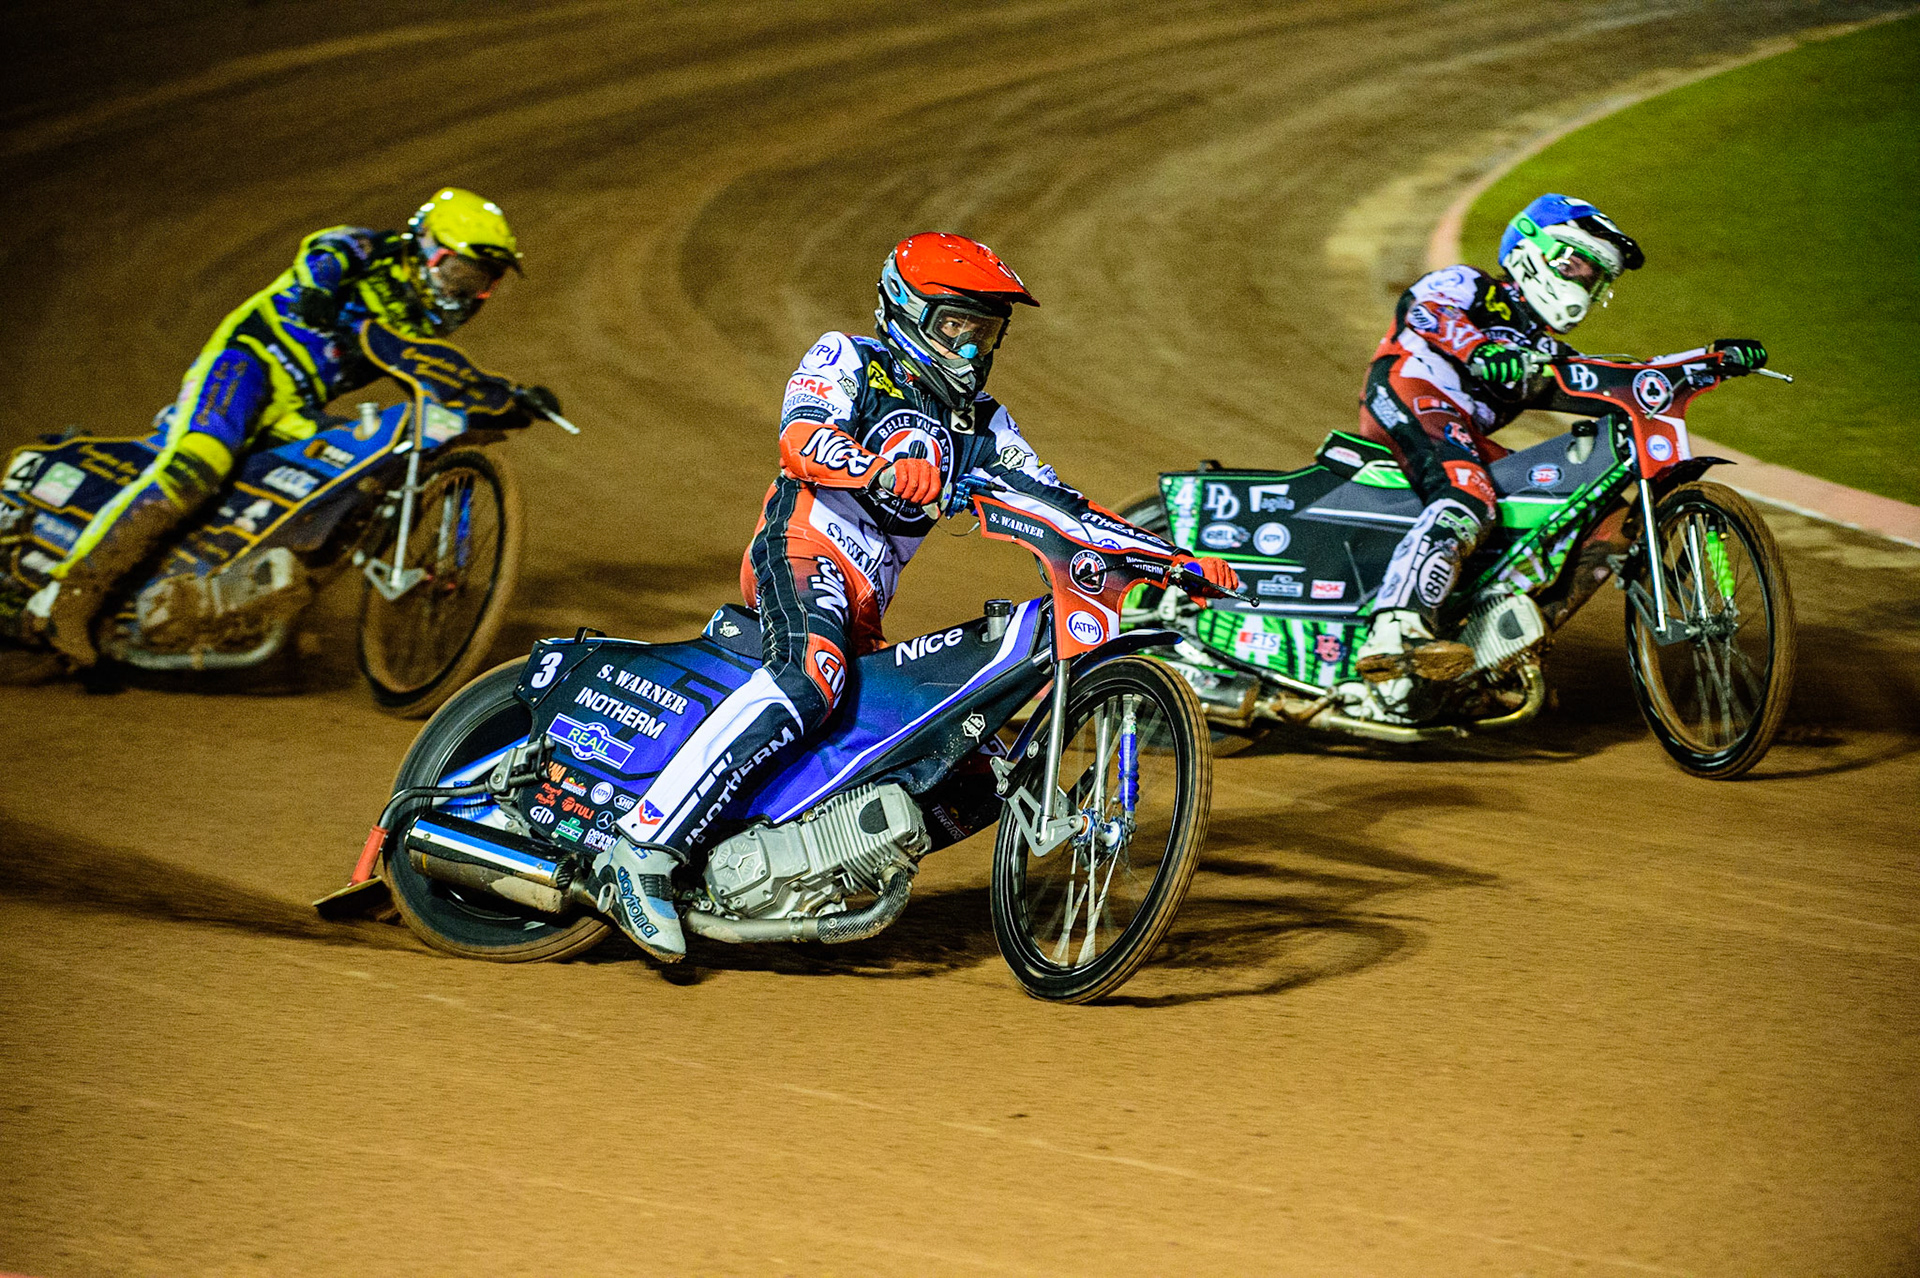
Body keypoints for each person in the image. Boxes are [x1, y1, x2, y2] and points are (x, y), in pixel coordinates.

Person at [583, 232, 1239, 962]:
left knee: (973, 771)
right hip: (803, 547)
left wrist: (1169, 559)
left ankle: (793, 861)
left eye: (985, 331)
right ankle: (643, 849)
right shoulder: (849, 358)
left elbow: (1057, 502)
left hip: (867, 601)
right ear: (905, 309)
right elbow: (801, 438)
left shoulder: (984, 423)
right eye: (956, 325)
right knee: (810, 677)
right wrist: (878, 468)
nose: (971, 348)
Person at [32, 187, 560, 665]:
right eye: (461, 274)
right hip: (247, 365)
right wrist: (319, 289)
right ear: (426, 247)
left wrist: (506, 397)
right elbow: (325, 253)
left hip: (295, 408)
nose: (466, 294)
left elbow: (429, 366)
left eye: (481, 283)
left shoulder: (417, 321)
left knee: (347, 481)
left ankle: (251, 603)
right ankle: (70, 595)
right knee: (199, 466)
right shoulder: (368, 249)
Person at [1344, 192, 1765, 722]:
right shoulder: (1472, 285)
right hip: (1408, 391)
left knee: (1609, 524)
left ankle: (1493, 653)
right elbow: (1425, 309)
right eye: (1579, 265)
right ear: (1532, 251)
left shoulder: (1546, 352)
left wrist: (1707, 360)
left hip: (1462, 433)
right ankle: (1395, 630)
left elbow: (1625, 378)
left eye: (1596, 279)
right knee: (1468, 492)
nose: (1586, 285)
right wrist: (1479, 349)